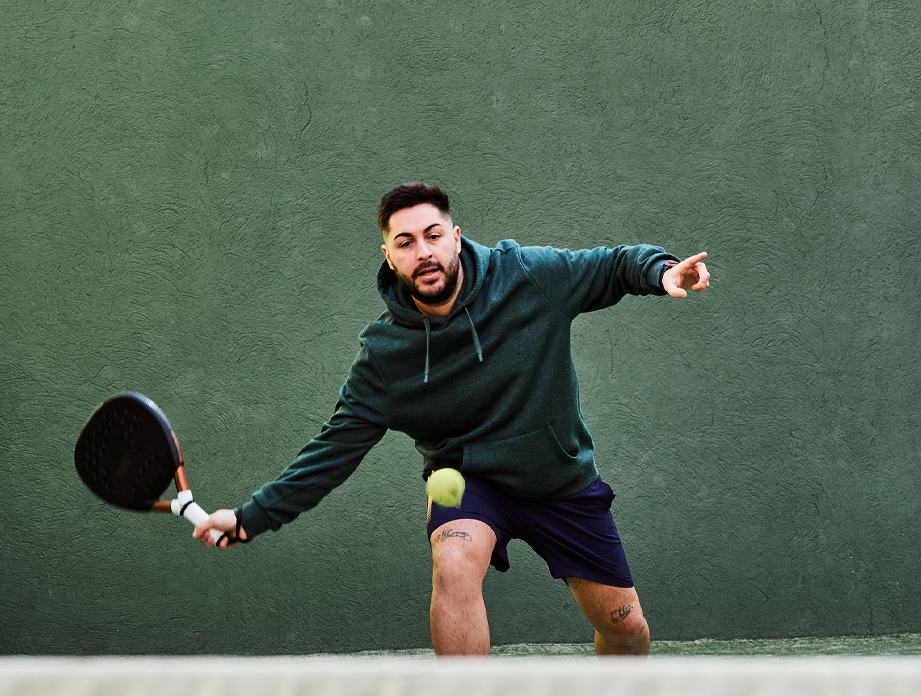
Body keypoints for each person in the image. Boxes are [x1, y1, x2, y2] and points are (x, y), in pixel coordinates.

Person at [194, 182, 711, 656]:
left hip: (559, 479)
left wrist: (661, 271)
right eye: (405, 242)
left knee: (625, 630)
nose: (423, 252)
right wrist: (249, 518)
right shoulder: (384, 358)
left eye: (433, 235)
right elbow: (332, 451)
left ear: (456, 237)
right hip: (466, 481)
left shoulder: (527, 276)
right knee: (455, 567)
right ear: (389, 256)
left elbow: (612, 265)